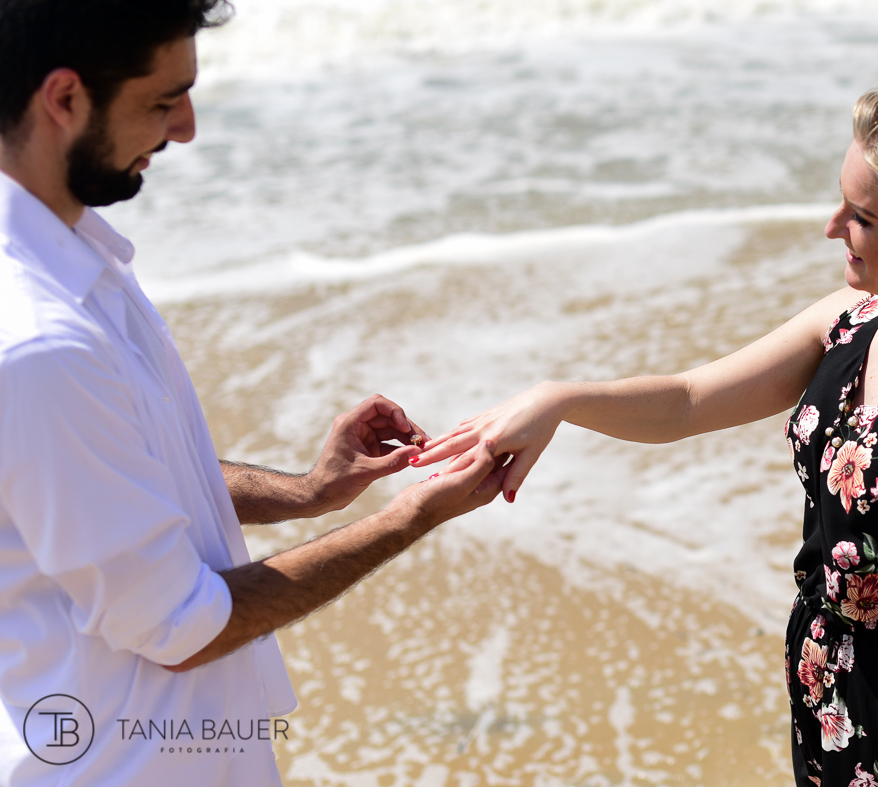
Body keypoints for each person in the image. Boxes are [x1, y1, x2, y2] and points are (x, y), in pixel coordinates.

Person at [414, 86, 878, 787]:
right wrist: (556, 400)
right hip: (831, 695)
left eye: (860, 216)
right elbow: (686, 401)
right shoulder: (847, 324)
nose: (832, 226)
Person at [0, 2, 507, 784]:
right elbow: (181, 627)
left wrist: (307, 491)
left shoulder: (73, 258)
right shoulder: (39, 339)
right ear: (64, 100)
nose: (186, 128)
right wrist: (416, 515)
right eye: (164, 99)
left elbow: (119, 477)